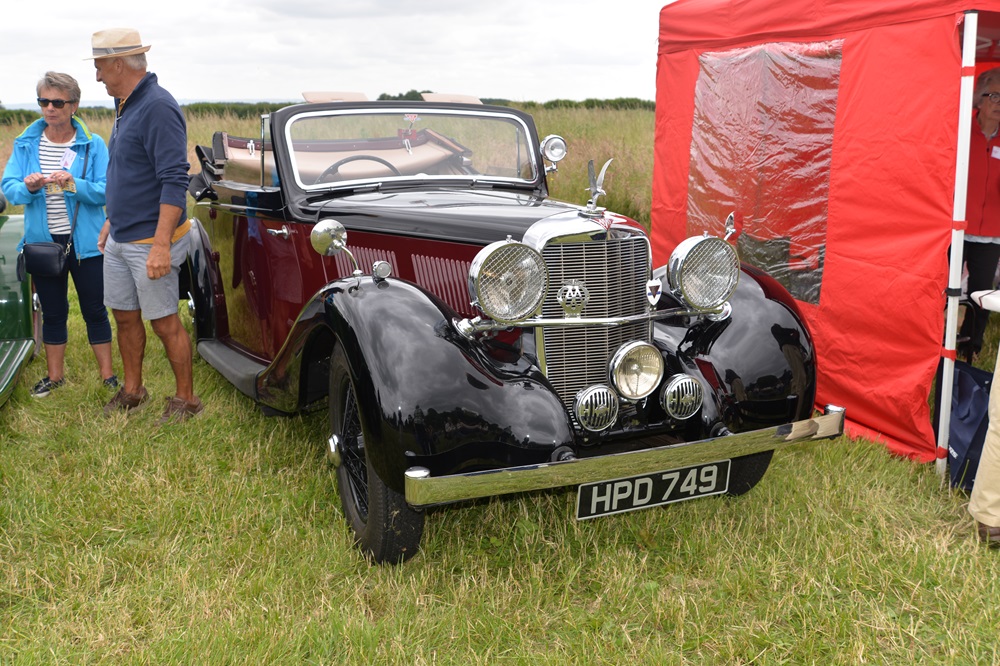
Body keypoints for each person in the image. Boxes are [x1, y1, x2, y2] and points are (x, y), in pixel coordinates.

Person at [90, 27, 202, 424]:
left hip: (150, 241)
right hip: (122, 236)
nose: (98, 75)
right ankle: (134, 391)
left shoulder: (157, 106)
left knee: (164, 320)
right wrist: (110, 219)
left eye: (101, 66)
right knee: (123, 315)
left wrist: (159, 246)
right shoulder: (125, 104)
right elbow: (130, 173)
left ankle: (186, 400)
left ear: (119, 63)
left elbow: (175, 178)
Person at [1, 71, 117, 397]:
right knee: (53, 312)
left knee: (95, 309)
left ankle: (108, 377)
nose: (49, 108)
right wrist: (27, 186)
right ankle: (55, 378)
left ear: (73, 105)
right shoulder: (25, 144)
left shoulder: (93, 146)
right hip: (43, 243)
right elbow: (9, 187)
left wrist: (72, 184)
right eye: (44, 101)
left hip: (86, 244)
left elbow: (106, 192)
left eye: (57, 102)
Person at [959, 68, 1000, 361]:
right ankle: (934, 342)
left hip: (991, 235)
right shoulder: (960, 131)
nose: (999, 102)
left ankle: (970, 348)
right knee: (940, 292)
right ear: (979, 100)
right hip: (956, 228)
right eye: (994, 95)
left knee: (981, 297)